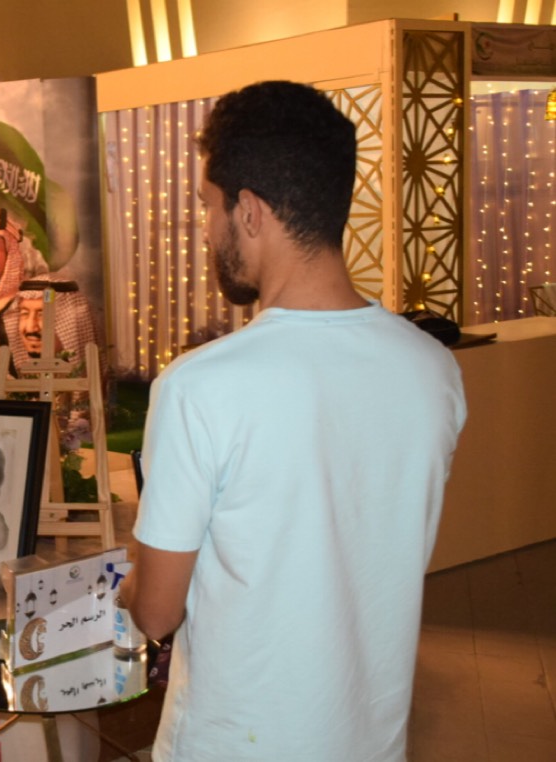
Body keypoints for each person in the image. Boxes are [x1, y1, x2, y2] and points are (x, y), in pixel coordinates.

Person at [120, 80, 466, 761]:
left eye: (208, 206)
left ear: (249, 211)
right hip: (371, 741)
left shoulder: (199, 386)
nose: (206, 228)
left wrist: (128, 578)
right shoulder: (433, 370)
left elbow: (157, 612)